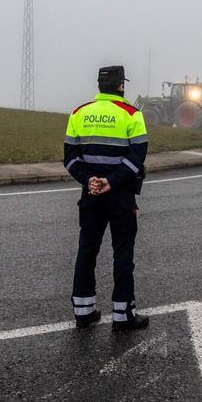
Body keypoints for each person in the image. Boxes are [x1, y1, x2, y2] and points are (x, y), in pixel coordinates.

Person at [64, 65, 150, 332]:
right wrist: (110, 182)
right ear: (121, 86)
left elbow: (70, 158)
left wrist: (88, 180)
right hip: (121, 197)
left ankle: (83, 312)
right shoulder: (132, 115)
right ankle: (123, 316)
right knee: (122, 254)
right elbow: (137, 159)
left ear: (100, 85)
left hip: (90, 195)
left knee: (87, 251)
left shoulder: (79, 113)